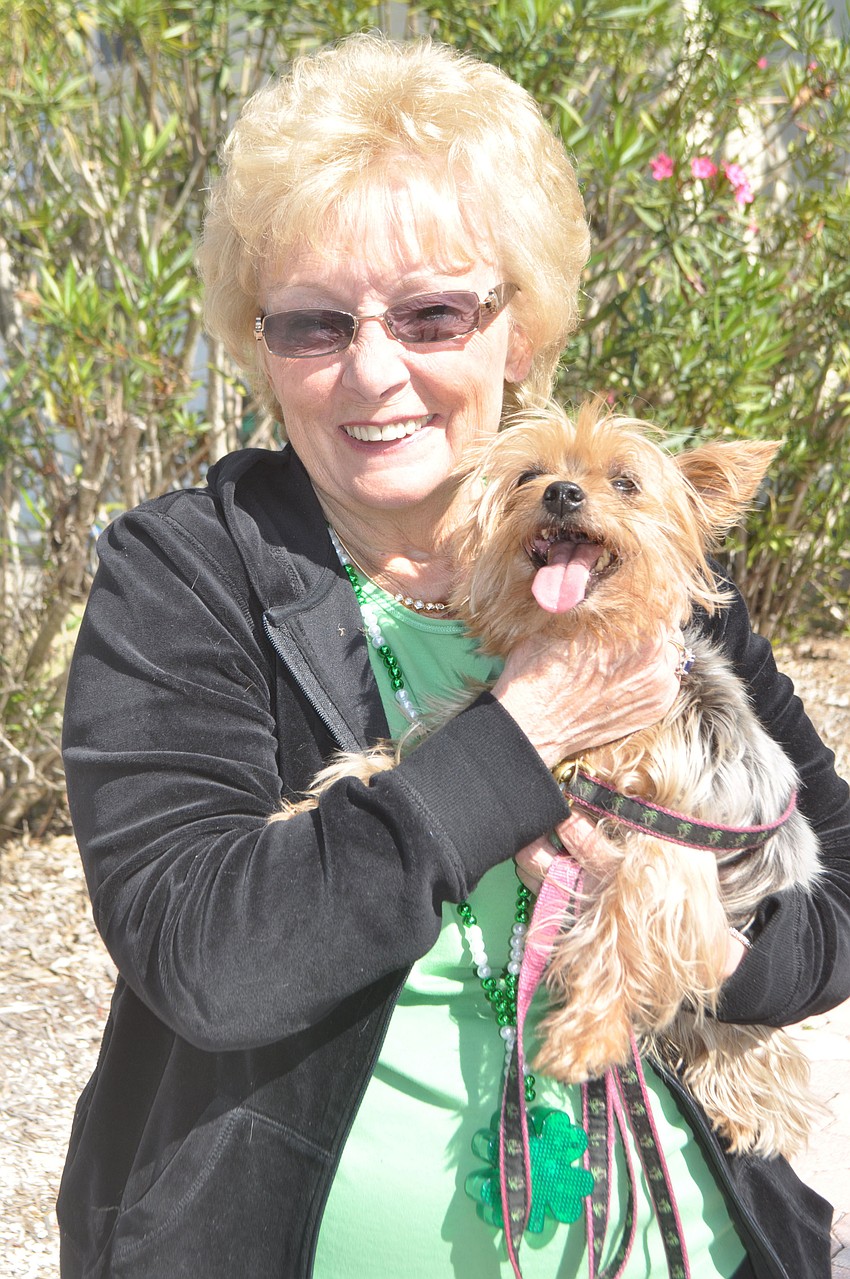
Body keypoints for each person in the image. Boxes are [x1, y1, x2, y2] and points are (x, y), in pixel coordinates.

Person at [57, 33, 850, 1279]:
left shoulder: (647, 564)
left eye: (430, 313)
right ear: (261, 350)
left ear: (516, 332)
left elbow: (837, 894)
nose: (374, 371)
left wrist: (696, 930)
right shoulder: (182, 578)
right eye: (313, 325)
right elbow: (205, 961)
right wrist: (517, 742)